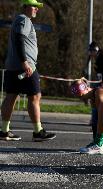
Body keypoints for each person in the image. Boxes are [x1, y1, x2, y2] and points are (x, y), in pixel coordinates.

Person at [0, 0, 56, 141]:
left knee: (11, 96)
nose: (36, 9)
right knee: (35, 96)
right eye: (34, 6)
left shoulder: (20, 20)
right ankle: (38, 132)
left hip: (14, 66)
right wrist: (25, 62)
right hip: (26, 67)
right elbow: (19, 39)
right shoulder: (24, 19)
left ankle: (4, 131)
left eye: (37, 7)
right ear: (25, 7)